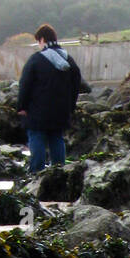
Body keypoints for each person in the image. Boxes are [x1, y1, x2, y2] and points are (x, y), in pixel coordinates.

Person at [16, 23, 82, 172]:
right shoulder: (68, 59)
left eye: (38, 41)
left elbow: (25, 84)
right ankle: (59, 171)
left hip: (38, 110)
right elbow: (77, 83)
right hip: (61, 109)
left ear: (42, 40)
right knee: (56, 138)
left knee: (37, 136)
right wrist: (71, 105)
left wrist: (22, 106)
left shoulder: (36, 60)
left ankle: (36, 172)